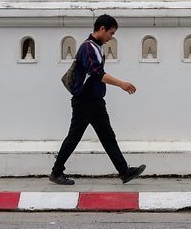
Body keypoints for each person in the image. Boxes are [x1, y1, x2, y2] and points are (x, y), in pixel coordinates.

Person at [49, 14, 146, 185]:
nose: (111, 37)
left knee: (108, 136)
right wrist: (121, 84)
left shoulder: (96, 47)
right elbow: (97, 74)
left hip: (95, 102)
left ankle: (124, 171)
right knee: (74, 137)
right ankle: (56, 172)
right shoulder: (88, 48)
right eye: (111, 33)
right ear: (101, 29)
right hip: (84, 102)